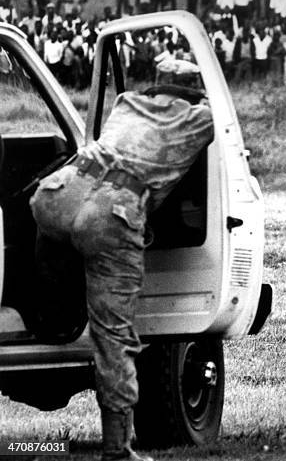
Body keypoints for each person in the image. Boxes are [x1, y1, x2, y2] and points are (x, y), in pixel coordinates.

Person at [29, 65, 214, 460]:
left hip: (58, 193)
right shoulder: (199, 118)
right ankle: (118, 450)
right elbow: (227, 129)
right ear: (193, 95)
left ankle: (48, 311)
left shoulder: (126, 104)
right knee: (114, 337)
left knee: (57, 250)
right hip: (110, 214)